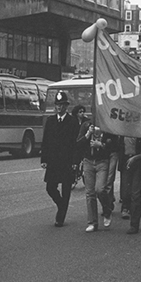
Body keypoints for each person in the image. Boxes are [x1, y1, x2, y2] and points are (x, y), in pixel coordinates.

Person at [41, 92, 80, 227]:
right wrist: (44, 159)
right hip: (53, 161)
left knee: (66, 189)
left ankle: (60, 217)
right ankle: (61, 205)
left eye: (62, 105)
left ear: (66, 106)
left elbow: (76, 143)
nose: (59, 107)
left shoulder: (72, 122)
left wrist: (75, 161)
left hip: (67, 162)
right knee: (50, 188)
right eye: (57, 105)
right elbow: (45, 141)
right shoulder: (51, 121)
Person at [76, 121, 117, 232]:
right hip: (88, 161)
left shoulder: (107, 125)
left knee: (100, 189)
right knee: (90, 193)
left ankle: (107, 209)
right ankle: (92, 222)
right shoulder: (86, 125)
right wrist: (88, 134)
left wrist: (102, 145)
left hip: (102, 161)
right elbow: (78, 144)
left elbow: (114, 145)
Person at [118, 136, 141, 234]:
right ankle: (129, 209)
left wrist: (136, 157)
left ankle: (134, 224)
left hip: (139, 165)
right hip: (126, 163)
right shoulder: (122, 131)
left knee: (135, 194)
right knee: (125, 193)